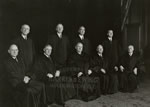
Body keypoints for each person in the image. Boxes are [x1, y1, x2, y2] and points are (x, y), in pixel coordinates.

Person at [102, 30, 119, 94]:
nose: (111, 34)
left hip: (115, 62)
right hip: (107, 62)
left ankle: (114, 90)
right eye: (109, 32)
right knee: (109, 75)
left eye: (112, 33)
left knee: (115, 75)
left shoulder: (115, 42)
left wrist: (117, 64)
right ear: (107, 34)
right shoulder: (104, 42)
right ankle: (108, 90)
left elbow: (117, 52)